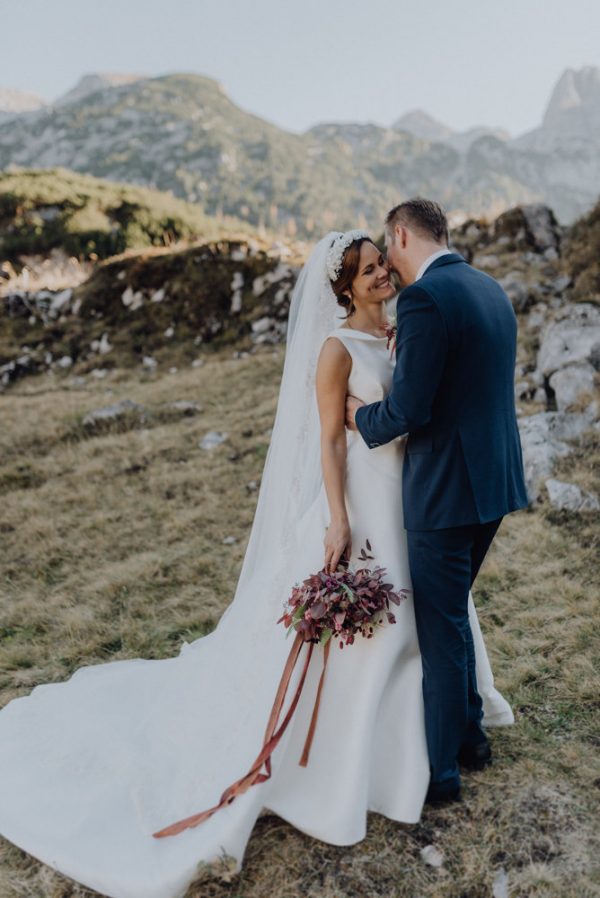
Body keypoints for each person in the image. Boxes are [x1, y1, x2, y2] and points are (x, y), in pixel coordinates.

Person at [0, 227, 514, 898]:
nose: (382, 274)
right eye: (366, 270)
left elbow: (413, 405)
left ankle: (437, 738)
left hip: (414, 498)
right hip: (366, 504)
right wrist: (338, 518)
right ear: (344, 288)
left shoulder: (400, 333)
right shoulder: (336, 350)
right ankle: (355, 758)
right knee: (385, 629)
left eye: (381, 263)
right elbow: (330, 440)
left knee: (433, 616)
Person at [346, 199, 529, 804]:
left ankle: (443, 771)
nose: (388, 265)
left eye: (387, 249)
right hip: (494, 483)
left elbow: (408, 410)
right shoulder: (488, 286)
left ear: (401, 235)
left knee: (441, 628)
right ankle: (472, 739)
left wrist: (358, 415)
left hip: (446, 491)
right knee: (452, 614)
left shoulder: (424, 299)